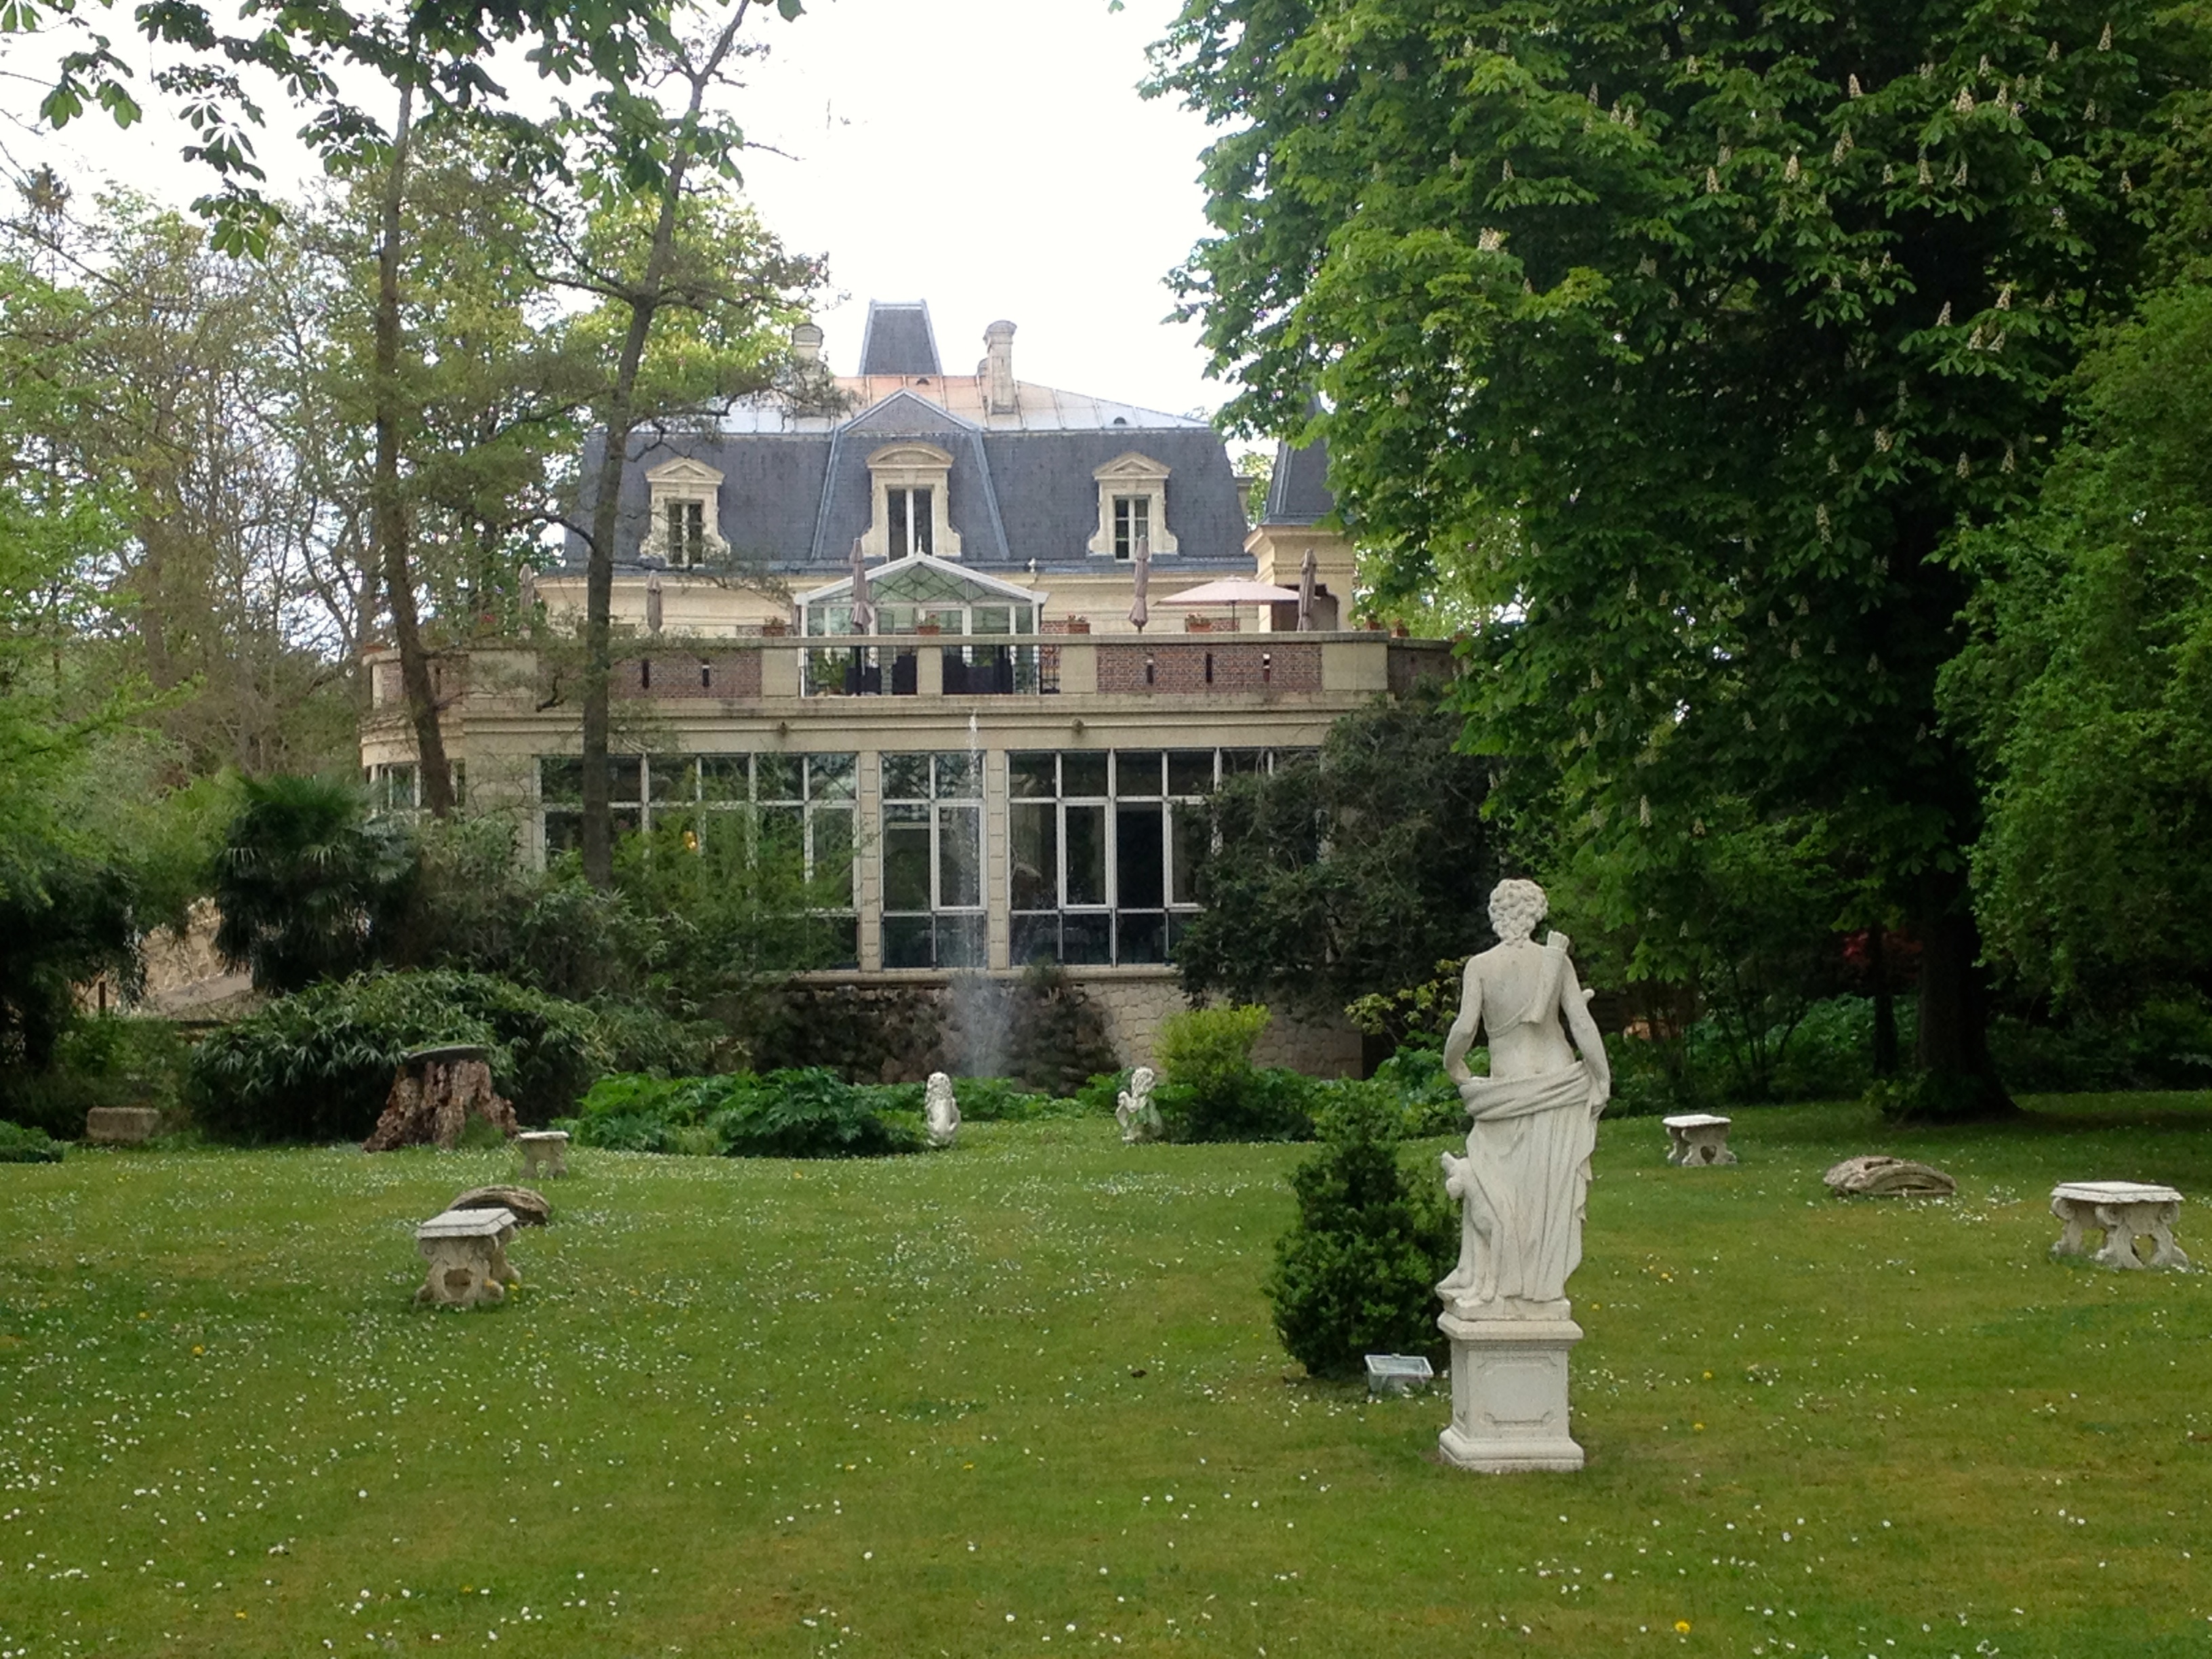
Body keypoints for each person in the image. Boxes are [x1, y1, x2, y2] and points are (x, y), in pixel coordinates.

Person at [1438, 878, 1611, 1317]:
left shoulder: (1481, 966)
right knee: (1542, 1192)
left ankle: (1513, 1290)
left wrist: (1453, 1064)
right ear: (1535, 915)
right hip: (1556, 1083)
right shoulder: (1554, 962)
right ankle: (1531, 1288)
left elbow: (1464, 1028)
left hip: (1511, 1088)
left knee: (1498, 1188)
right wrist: (1602, 1076)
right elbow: (1581, 1024)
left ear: (1496, 916)